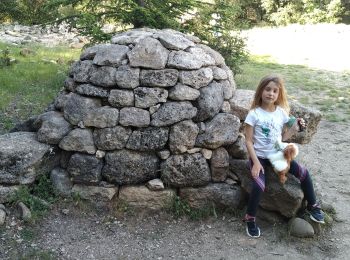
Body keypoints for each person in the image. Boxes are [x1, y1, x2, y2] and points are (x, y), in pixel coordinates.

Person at [243, 74, 325, 238]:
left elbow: (284, 137)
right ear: (261, 91)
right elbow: (248, 141)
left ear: (278, 94)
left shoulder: (281, 113)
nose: (271, 94)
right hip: (258, 156)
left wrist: (297, 127)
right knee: (259, 185)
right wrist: (257, 163)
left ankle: (313, 205)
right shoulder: (254, 114)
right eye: (268, 89)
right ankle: (250, 218)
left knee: (303, 172)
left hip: (276, 154)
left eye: (275, 91)